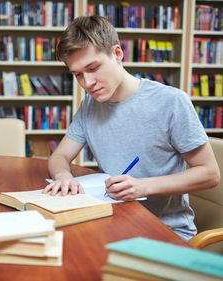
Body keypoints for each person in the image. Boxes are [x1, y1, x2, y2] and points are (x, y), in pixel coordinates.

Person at [43, 15, 220, 241]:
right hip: (113, 221)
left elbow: (210, 173)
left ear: (117, 54)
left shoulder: (171, 102)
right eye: (78, 74)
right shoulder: (90, 104)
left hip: (164, 232)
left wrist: (143, 187)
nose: (87, 83)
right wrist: (63, 175)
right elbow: (60, 156)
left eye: (93, 68)